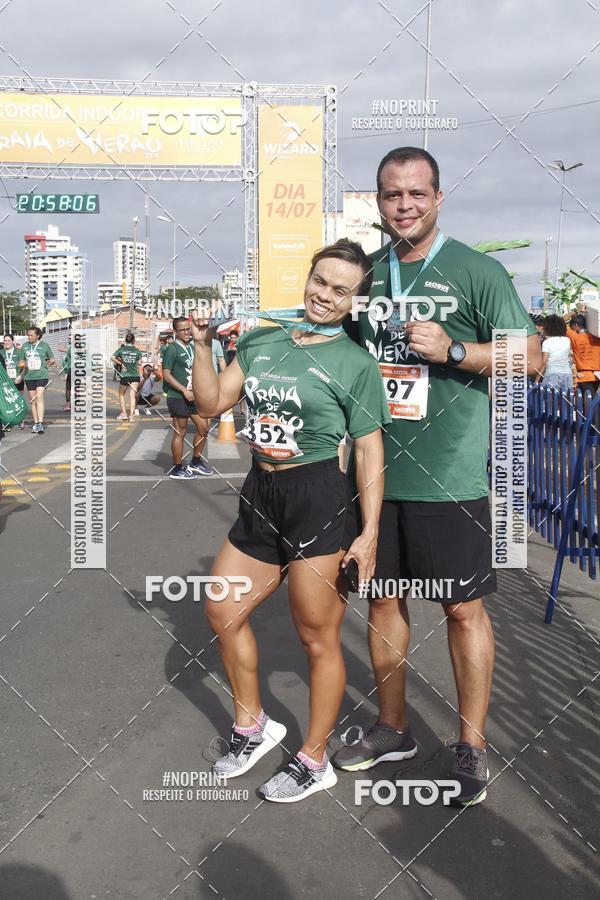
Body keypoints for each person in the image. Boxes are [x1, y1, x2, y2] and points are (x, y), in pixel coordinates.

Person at [333, 147, 542, 807]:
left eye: (416, 193)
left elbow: (533, 359)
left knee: (461, 608)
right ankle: (393, 727)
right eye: (392, 194)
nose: (404, 205)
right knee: (383, 600)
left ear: (438, 198)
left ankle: (472, 747)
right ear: (379, 202)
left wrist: (455, 350)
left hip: (449, 478)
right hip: (373, 476)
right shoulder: (366, 274)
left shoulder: (477, 271)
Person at [191, 239, 390, 803]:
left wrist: (368, 533)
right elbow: (212, 405)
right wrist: (203, 347)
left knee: (316, 636)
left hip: (318, 496)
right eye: (320, 281)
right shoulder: (261, 339)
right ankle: (252, 727)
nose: (325, 295)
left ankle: (314, 757)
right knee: (222, 609)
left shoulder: (354, 363)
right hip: (262, 490)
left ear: (355, 302)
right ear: (308, 277)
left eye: (340, 290)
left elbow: (371, 451)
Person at [162, 316, 213, 478]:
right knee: (180, 432)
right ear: (175, 331)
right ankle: (177, 468)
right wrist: (184, 390)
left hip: (194, 396)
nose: (186, 332)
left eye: (188, 328)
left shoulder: (192, 347)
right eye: (182, 330)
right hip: (177, 396)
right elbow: (166, 374)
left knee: (203, 428)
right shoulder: (172, 349)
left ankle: (196, 461)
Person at [20, 326, 55, 434]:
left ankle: (40, 423)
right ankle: (36, 423)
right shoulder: (25, 346)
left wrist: (51, 362)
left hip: (41, 375)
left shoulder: (44, 346)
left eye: (31, 335)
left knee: (39, 398)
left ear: (38, 335)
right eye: (28, 335)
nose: (29, 337)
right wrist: (22, 365)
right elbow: (22, 361)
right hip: (29, 376)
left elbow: (52, 359)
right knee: (33, 401)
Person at [565, 312, 600, 398]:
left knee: (586, 404)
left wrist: (574, 311)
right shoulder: (597, 338)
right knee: (594, 401)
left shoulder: (576, 338)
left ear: (576, 325)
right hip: (597, 376)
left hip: (584, 376)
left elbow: (560, 322)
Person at [534, 315, 573, 391]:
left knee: (550, 401)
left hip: (552, 374)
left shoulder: (547, 342)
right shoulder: (567, 340)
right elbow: (569, 357)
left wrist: (537, 379)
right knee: (565, 401)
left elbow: (544, 363)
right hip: (567, 374)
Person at [112, 332, 142, 422]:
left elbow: (112, 357)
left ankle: (124, 414)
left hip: (125, 375)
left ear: (125, 340)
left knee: (121, 394)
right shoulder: (137, 351)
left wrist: (121, 363)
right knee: (132, 395)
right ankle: (131, 416)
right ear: (134, 341)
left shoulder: (122, 350)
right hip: (135, 375)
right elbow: (140, 363)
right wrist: (134, 361)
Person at [1, 334, 26, 429]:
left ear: (13, 341)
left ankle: (21, 421)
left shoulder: (19, 352)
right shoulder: (1, 352)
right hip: (5, 381)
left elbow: (23, 366)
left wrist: (20, 376)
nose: (6, 342)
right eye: (5, 341)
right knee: (5, 403)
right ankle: (7, 422)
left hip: (17, 380)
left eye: (8, 340)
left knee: (18, 401)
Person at [58, 335, 72, 411]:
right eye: (68, 338)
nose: (69, 340)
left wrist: (60, 343)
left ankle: (68, 405)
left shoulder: (72, 348)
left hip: (72, 369)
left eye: (70, 338)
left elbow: (60, 349)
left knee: (68, 388)